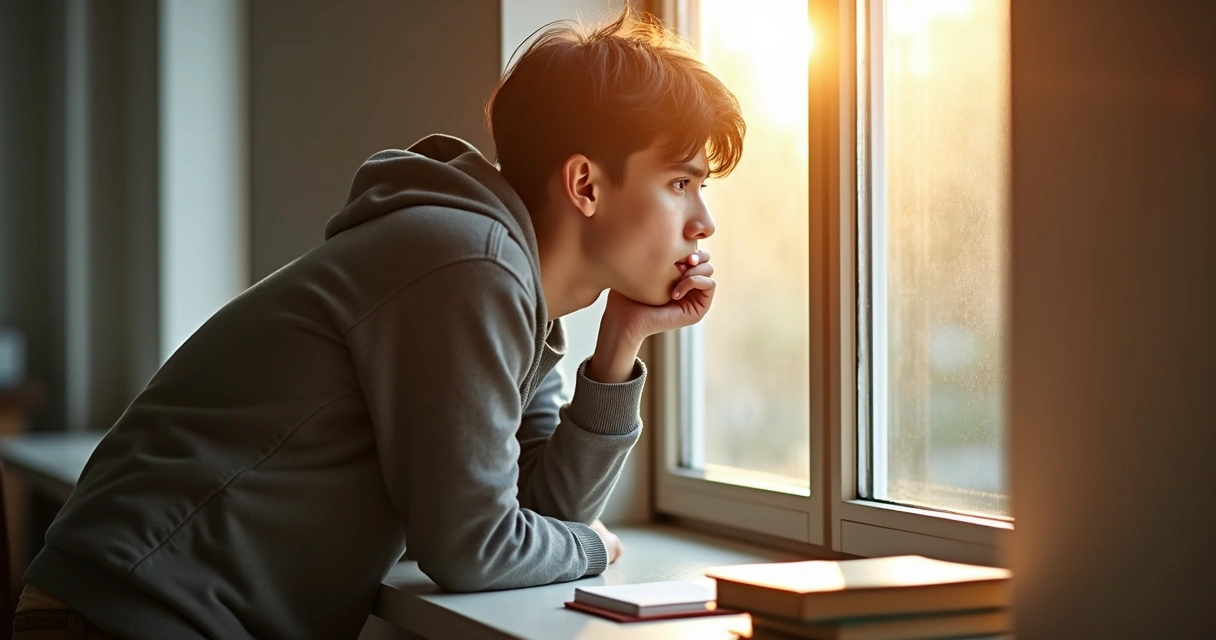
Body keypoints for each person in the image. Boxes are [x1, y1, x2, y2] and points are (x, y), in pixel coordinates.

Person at [13, 6, 744, 639]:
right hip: (129, 613)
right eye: (681, 183)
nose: (703, 222)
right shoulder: (471, 266)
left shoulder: (506, 283)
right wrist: (589, 547)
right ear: (586, 183)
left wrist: (619, 344)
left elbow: (536, 509)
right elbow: (477, 548)